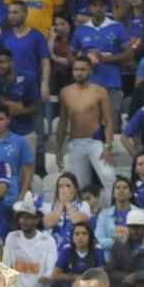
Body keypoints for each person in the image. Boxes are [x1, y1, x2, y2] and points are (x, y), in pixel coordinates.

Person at [55, 55, 117, 196]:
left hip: (96, 142)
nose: (79, 72)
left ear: (90, 71)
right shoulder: (65, 92)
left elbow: (109, 121)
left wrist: (108, 147)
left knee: (109, 177)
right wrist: (59, 149)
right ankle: (86, 215)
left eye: (83, 69)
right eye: (76, 69)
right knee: (80, 185)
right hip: (75, 142)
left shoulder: (100, 91)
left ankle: (111, 213)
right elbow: (63, 122)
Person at [2, 199, 57, 287]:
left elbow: (50, 268)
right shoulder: (12, 238)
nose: (23, 221)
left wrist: (47, 278)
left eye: (28, 217)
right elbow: (6, 266)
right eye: (21, 217)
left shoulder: (47, 240)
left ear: (37, 219)